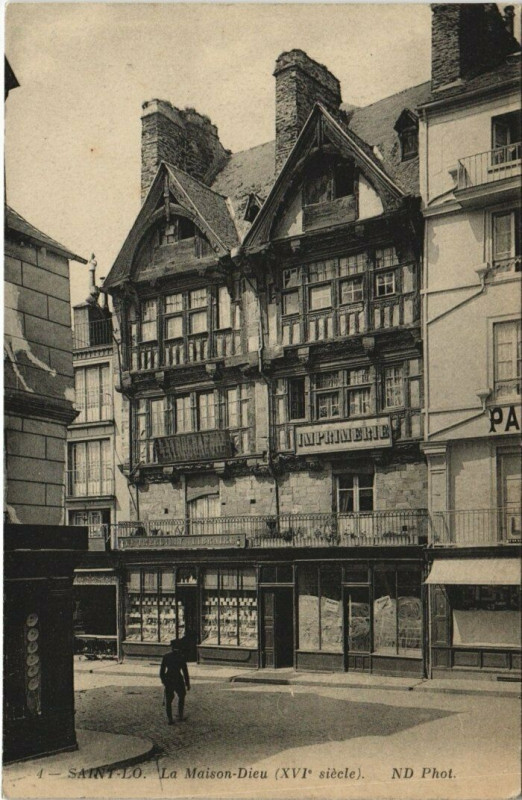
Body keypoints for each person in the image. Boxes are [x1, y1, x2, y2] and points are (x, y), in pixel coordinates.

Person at [160, 639, 191, 725]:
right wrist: (187, 683)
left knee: (168, 699)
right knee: (182, 695)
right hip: (178, 679)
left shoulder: (166, 656)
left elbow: (161, 671)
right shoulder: (181, 657)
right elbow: (185, 672)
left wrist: (164, 681)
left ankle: (170, 719)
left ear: (172, 647)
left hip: (169, 678)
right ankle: (180, 715)